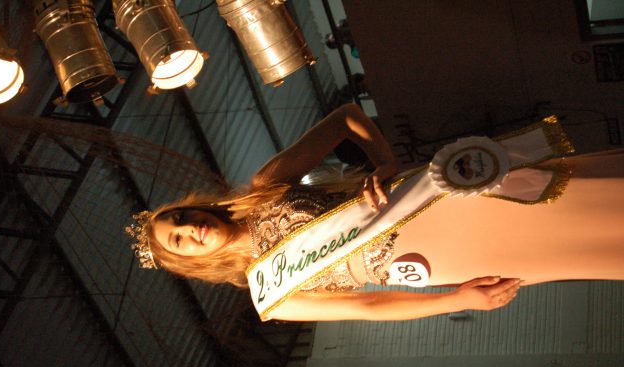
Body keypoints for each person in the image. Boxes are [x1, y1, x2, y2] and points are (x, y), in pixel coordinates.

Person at [126, 103, 624, 322]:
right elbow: (369, 306)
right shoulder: (272, 295)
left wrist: (384, 161)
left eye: (180, 219)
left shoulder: (265, 188)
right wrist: (457, 299)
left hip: (436, 200)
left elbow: (346, 117)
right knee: (567, 252)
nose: (190, 230)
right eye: (179, 242)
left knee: (575, 197)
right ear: (192, 264)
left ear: (193, 206)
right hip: (431, 260)